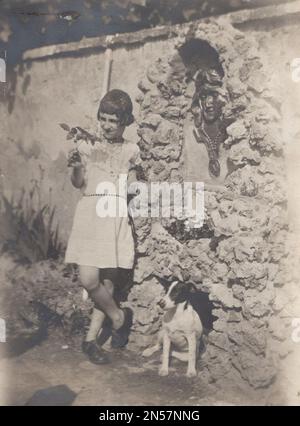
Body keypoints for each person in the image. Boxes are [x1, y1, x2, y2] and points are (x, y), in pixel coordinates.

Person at [65, 89, 139, 364]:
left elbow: (131, 184)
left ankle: (90, 340)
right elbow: (78, 183)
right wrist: (75, 167)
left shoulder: (131, 150)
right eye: (104, 119)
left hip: (114, 213)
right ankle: (118, 316)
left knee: (107, 280)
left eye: (114, 121)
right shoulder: (88, 146)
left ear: (125, 122)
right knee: (89, 279)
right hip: (90, 212)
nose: (108, 126)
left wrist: (135, 186)